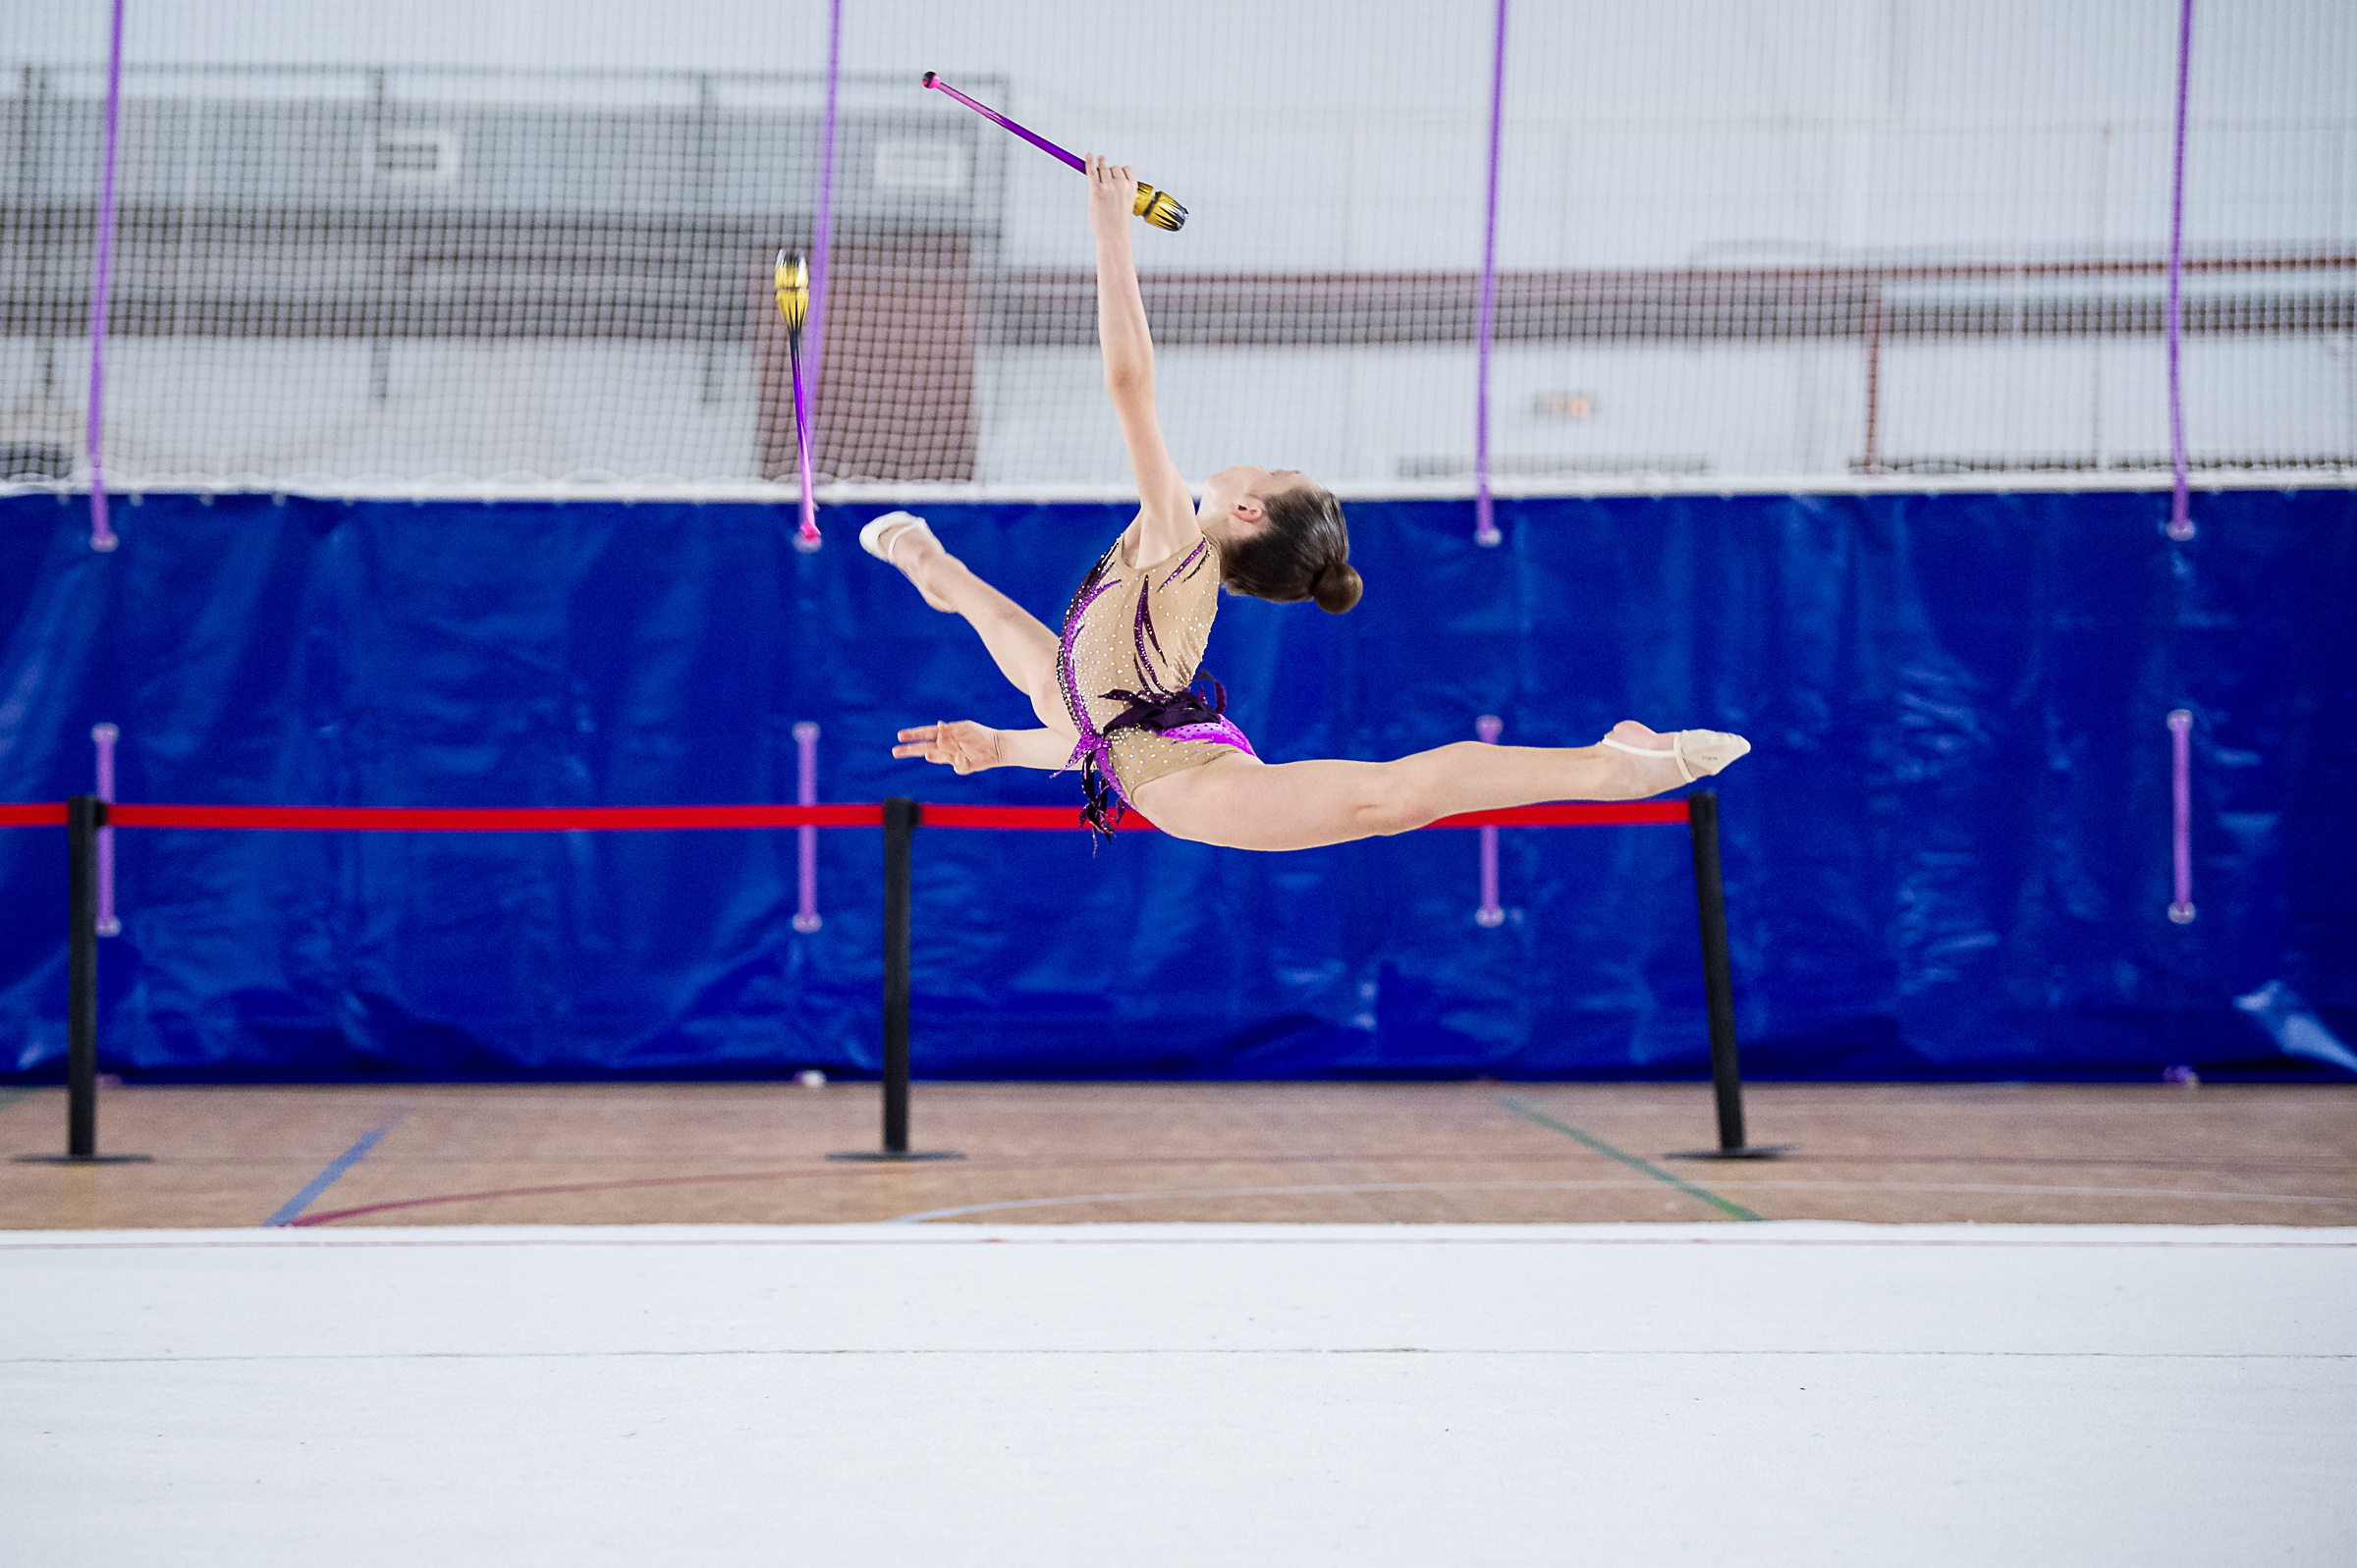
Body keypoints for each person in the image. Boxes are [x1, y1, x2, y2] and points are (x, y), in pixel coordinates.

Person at [868, 154, 1747, 852]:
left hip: (1192, 781)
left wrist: (1109, 233)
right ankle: (921, 554)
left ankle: (1611, 766)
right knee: (1020, 646)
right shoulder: (1153, 565)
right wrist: (998, 747)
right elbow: (1093, 724)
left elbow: (1130, 384)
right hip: (1133, 741)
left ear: (1250, 512)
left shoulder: (1177, 540)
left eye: (1277, 469)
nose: (1262, 462)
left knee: (1385, 798)